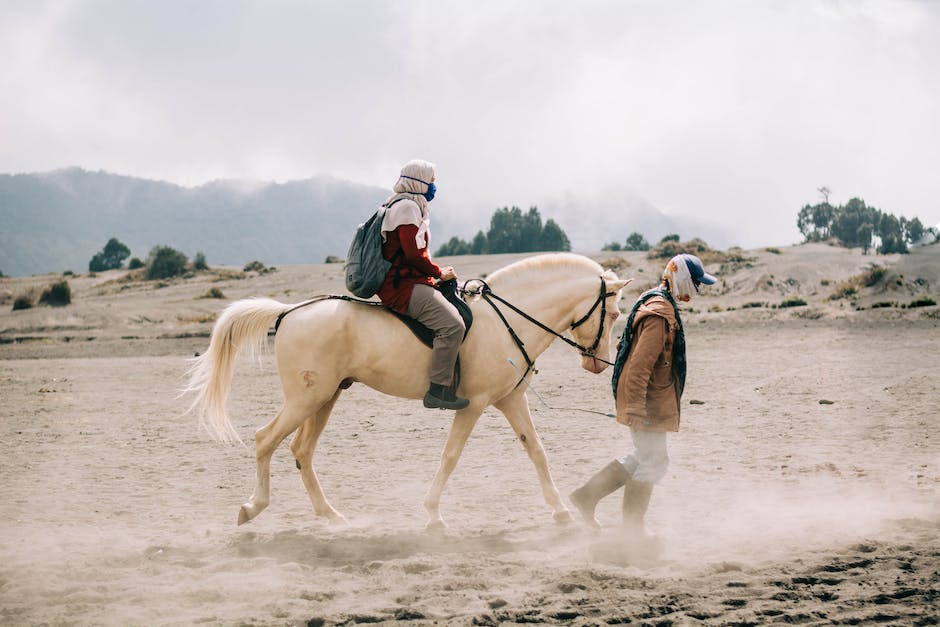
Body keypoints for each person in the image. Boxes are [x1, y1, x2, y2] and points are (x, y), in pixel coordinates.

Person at [569, 253, 716, 549]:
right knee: (654, 461)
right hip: (646, 401)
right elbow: (639, 365)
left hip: (649, 399)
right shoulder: (660, 313)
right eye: (696, 283)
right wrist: (635, 407)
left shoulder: (658, 303)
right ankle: (631, 532)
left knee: (644, 456)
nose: (698, 289)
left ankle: (587, 496)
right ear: (682, 278)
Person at [377, 159, 470, 411]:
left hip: (406, 279)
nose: (433, 185)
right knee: (452, 326)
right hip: (402, 286)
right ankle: (438, 390)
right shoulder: (407, 207)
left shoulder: (398, 203)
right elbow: (412, 255)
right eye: (431, 180)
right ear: (418, 181)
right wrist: (439, 272)